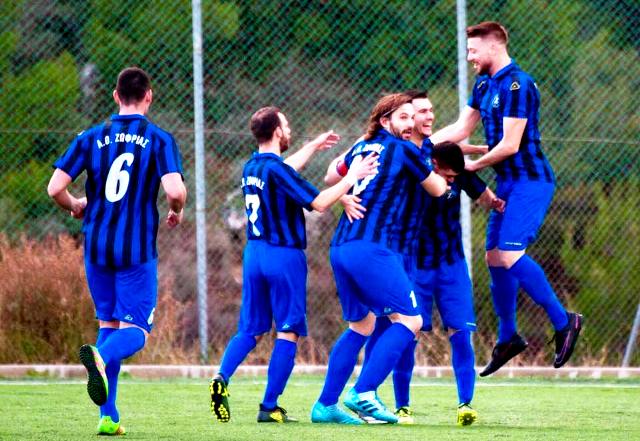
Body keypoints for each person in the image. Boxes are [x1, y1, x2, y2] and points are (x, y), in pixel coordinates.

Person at [430, 21, 583, 376]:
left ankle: (565, 322)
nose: (470, 57)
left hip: (531, 181)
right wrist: (422, 145)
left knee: (511, 254)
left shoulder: (519, 84)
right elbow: (461, 129)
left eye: (473, 50)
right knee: (495, 258)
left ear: (494, 47)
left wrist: (472, 164)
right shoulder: (484, 84)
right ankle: (509, 336)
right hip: (508, 183)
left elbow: (511, 145)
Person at [208, 106, 378, 424]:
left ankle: (221, 377)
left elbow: (284, 170)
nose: (289, 130)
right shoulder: (277, 169)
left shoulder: (252, 167)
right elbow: (319, 203)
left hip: (254, 254)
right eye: (285, 125)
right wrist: (352, 177)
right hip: (283, 256)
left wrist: (312, 146)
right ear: (276, 131)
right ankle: (269, 406)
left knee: (251, 329)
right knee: (288, 331)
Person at [47, 67, 187, 435]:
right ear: (149, 96)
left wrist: (75, 205)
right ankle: (100, 357)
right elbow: (174, 191)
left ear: (115, 96)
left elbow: (54, 188)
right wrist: (176, 209)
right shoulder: (159, 139)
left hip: (96, 247)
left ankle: (108, 418)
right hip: (135, 251)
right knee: (136, 331)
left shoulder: (91, 136)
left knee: (109, 324)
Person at [359, 91, 503, 426]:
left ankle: (465, 404)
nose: (427, 116)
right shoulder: (406, 159)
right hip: (414, 264)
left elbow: (485, 195)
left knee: (460, 333)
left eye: (429, 110)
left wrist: (500, 203)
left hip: (451, 264)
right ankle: (402, 406)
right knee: (406, 334)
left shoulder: (448, 160)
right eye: (419, 111)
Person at [310, 93, 448, 425]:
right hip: (371, 249)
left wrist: (344, 196)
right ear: (385, 121)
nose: (410, 123)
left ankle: (326, 405)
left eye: (412, 117)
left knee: (362, 325)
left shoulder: (360, 147)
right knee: (411, 321)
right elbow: (437, 189)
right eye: (403, 117)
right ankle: (364, 391)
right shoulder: (404, 150)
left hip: (341, 246)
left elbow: (331, 177)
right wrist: (448, 174)